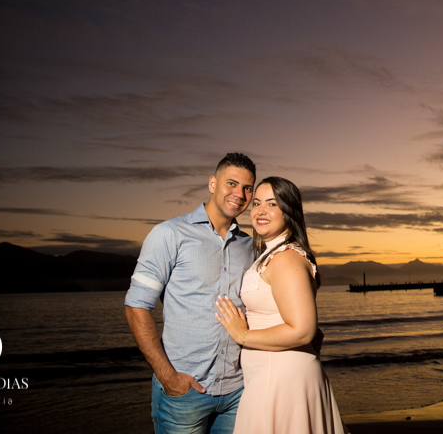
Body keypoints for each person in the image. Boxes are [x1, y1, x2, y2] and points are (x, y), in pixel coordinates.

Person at [125, 153, 257, 434]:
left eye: (247, 188)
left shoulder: (249, 246)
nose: (239, 194)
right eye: (231, 183)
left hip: (238, 390)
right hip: (185, 392)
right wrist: (167, 376)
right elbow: (136, 306)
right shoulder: (170, 234)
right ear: (212, 183)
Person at [215, 176, 346, 434]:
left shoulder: (285, 258)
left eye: (272, 203)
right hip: (273, 377)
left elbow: (302, 330)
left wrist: (242, 335)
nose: (260, 211)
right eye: (257, 203)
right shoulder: (272, 254)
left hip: (281, 380)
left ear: (289, 211)